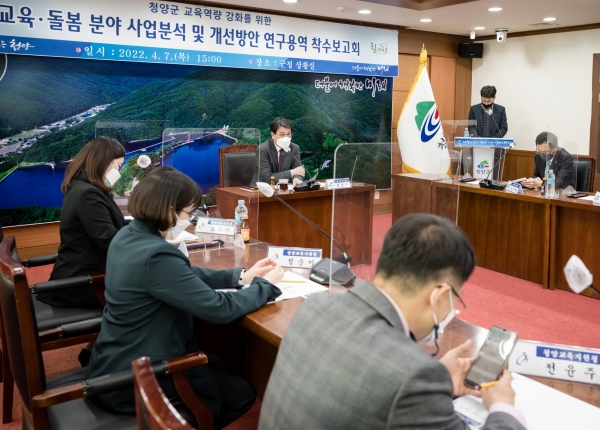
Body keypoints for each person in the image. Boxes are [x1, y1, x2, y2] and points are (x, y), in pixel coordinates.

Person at [259, 214, 526, 430]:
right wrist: (503, 406)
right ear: (439, 296)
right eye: (456, 299)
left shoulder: (315, 305)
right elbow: (398, 378)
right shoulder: (415, 374)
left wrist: (438, 381)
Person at [87, 166, 284, 430]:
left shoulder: (128, 234)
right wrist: (264, 287)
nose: (188, 219)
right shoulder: (156, 254)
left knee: (220, 364)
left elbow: (180, 275)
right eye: (188, 213)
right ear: (170, 209)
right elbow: (219, 309)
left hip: (116, 358)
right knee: (241, 393)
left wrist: (240, 277)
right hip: (140, 376)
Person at [37, 136, 126, 309]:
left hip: (83, 274)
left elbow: (113, 227)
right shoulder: (88, 195)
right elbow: (109, 240)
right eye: (118, 165)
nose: (119, 172)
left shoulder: (81, 187)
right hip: (87, 283)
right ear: (105, 163)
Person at [251, 117, 305, 186]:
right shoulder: (263, 149)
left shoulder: (294, 148)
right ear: (273, 135)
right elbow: (268, 178)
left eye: (288, 134)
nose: (286, 138)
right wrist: (292, 172)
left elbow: (298, 170)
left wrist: (296, 178)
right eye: (282, 135)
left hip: (285, 187)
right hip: (262, 188)